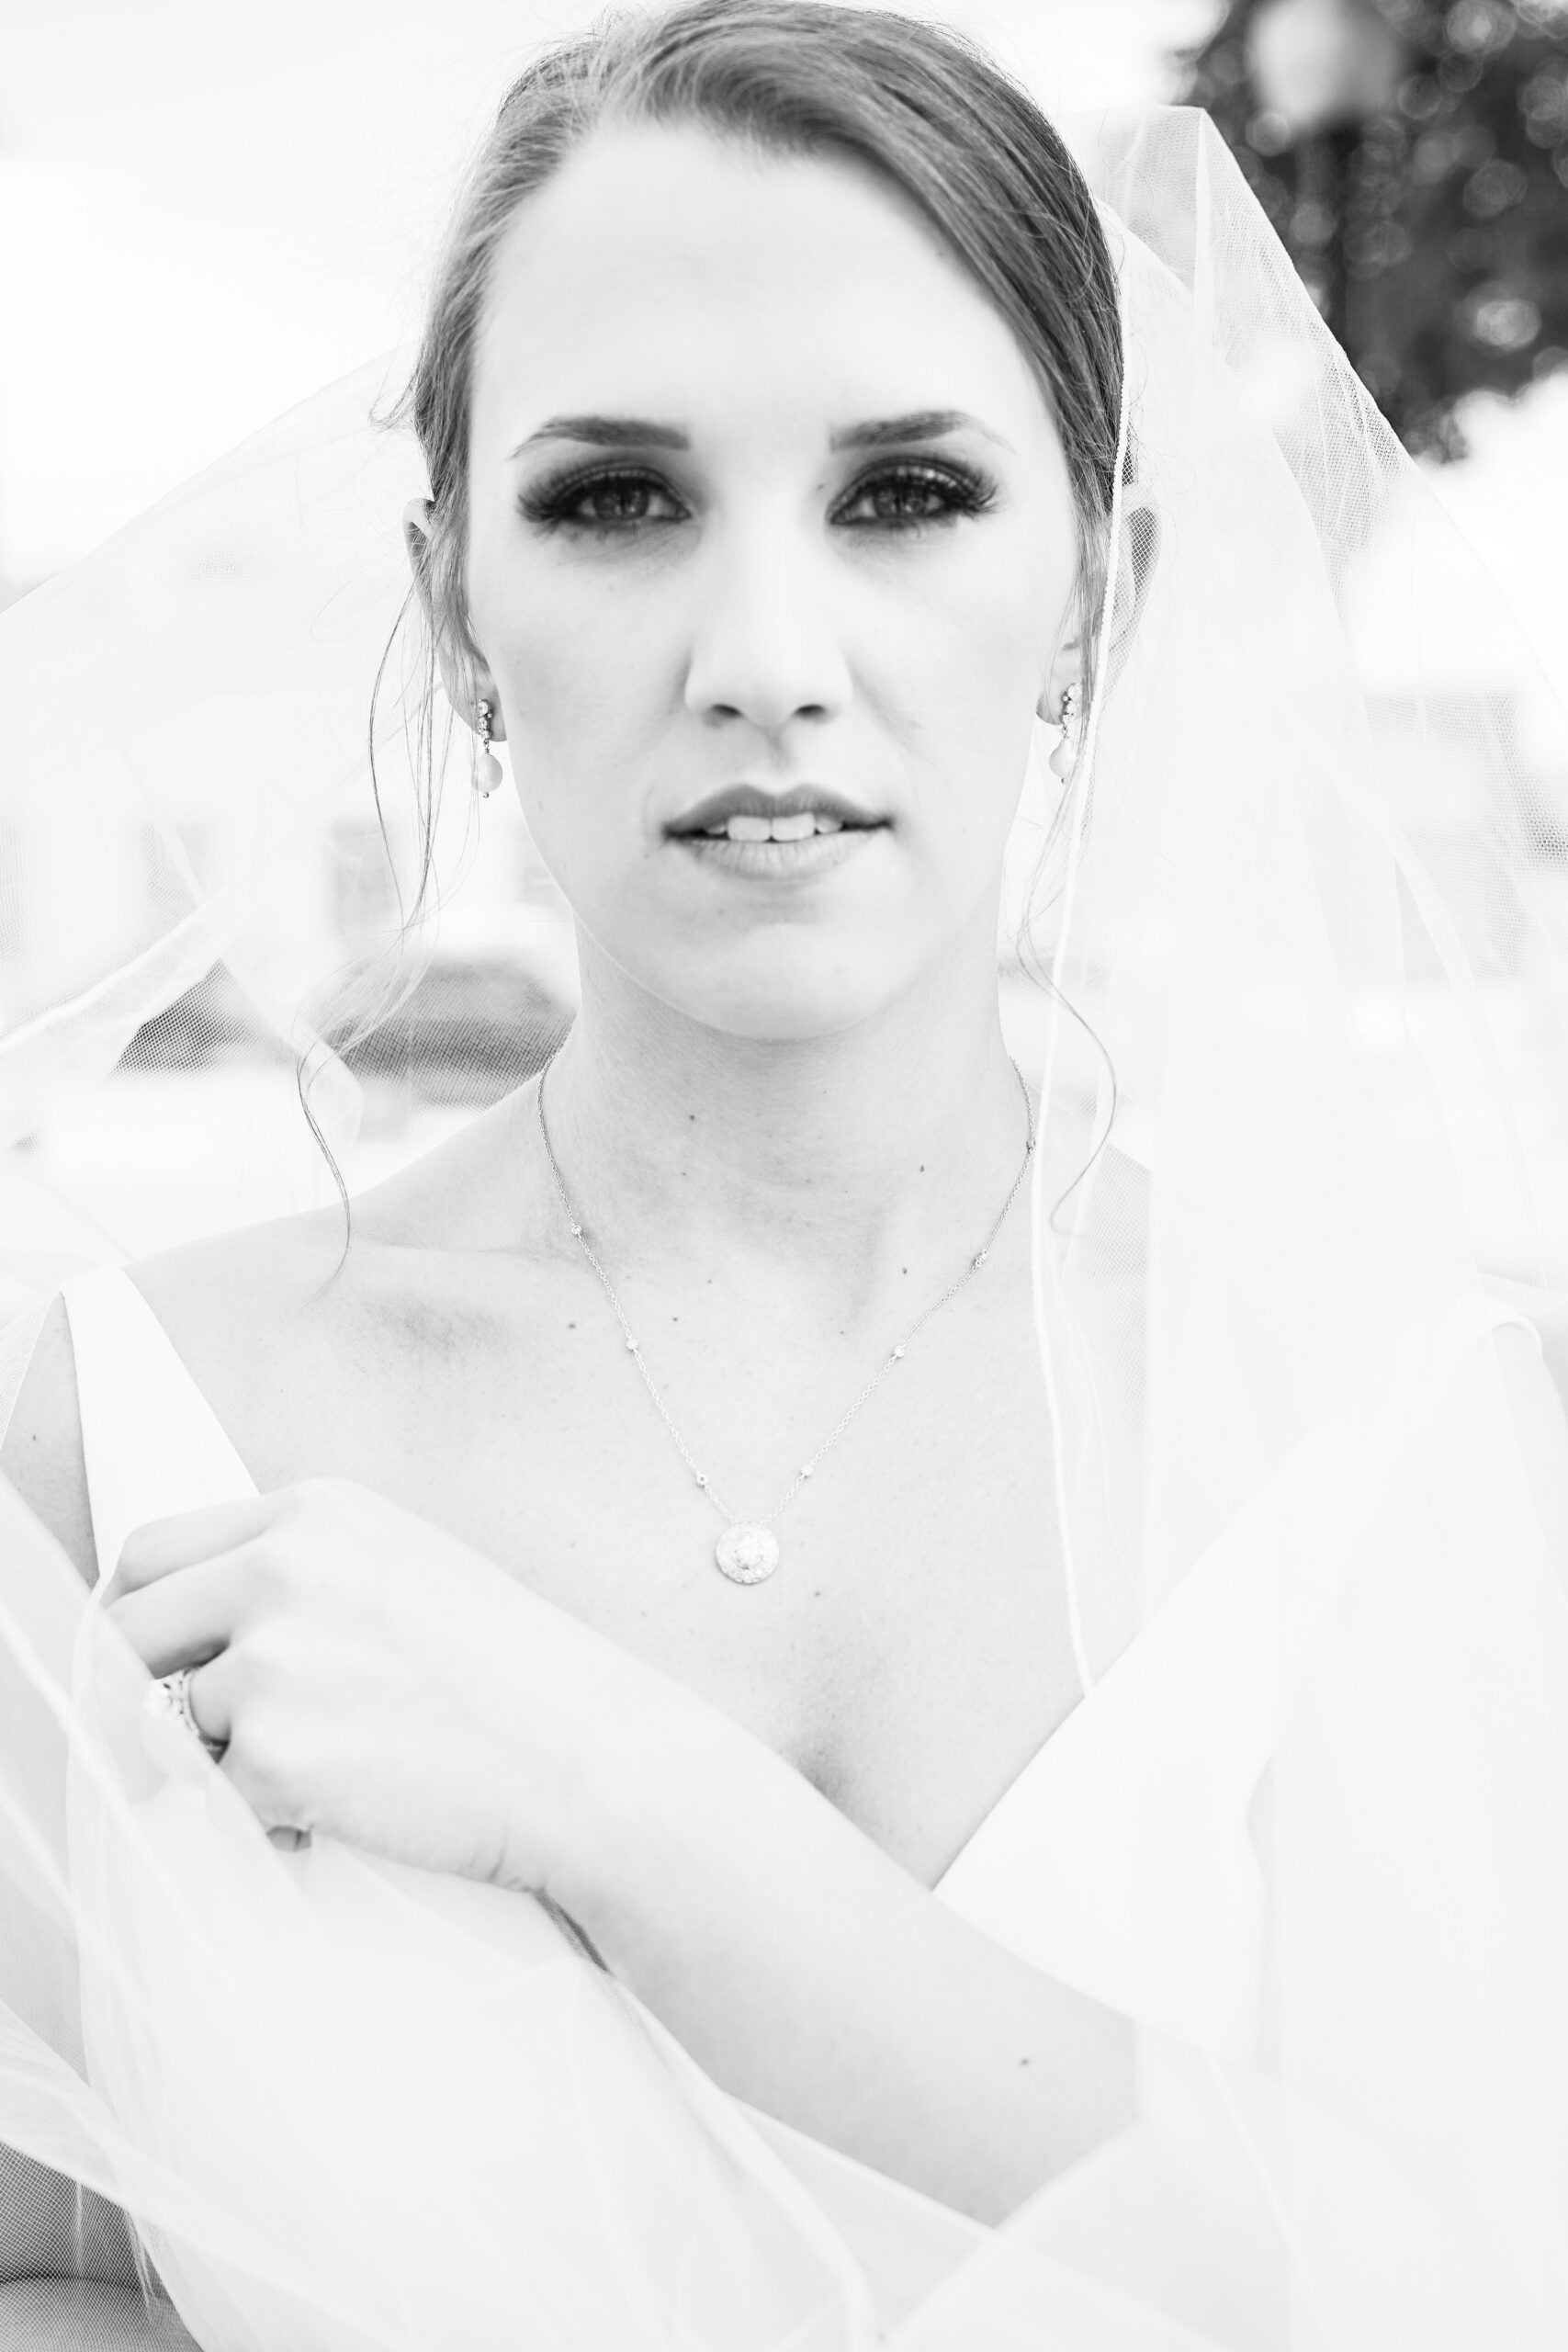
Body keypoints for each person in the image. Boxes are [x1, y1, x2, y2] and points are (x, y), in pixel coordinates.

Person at [3, 3, 1568, 2344]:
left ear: (1094, 596)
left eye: (904, 494)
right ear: (452, 608)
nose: (763, 653)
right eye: (615, 498)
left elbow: (1440, 2294)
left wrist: (619, 1800)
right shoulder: (127, 1428)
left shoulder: (1384, 1433)